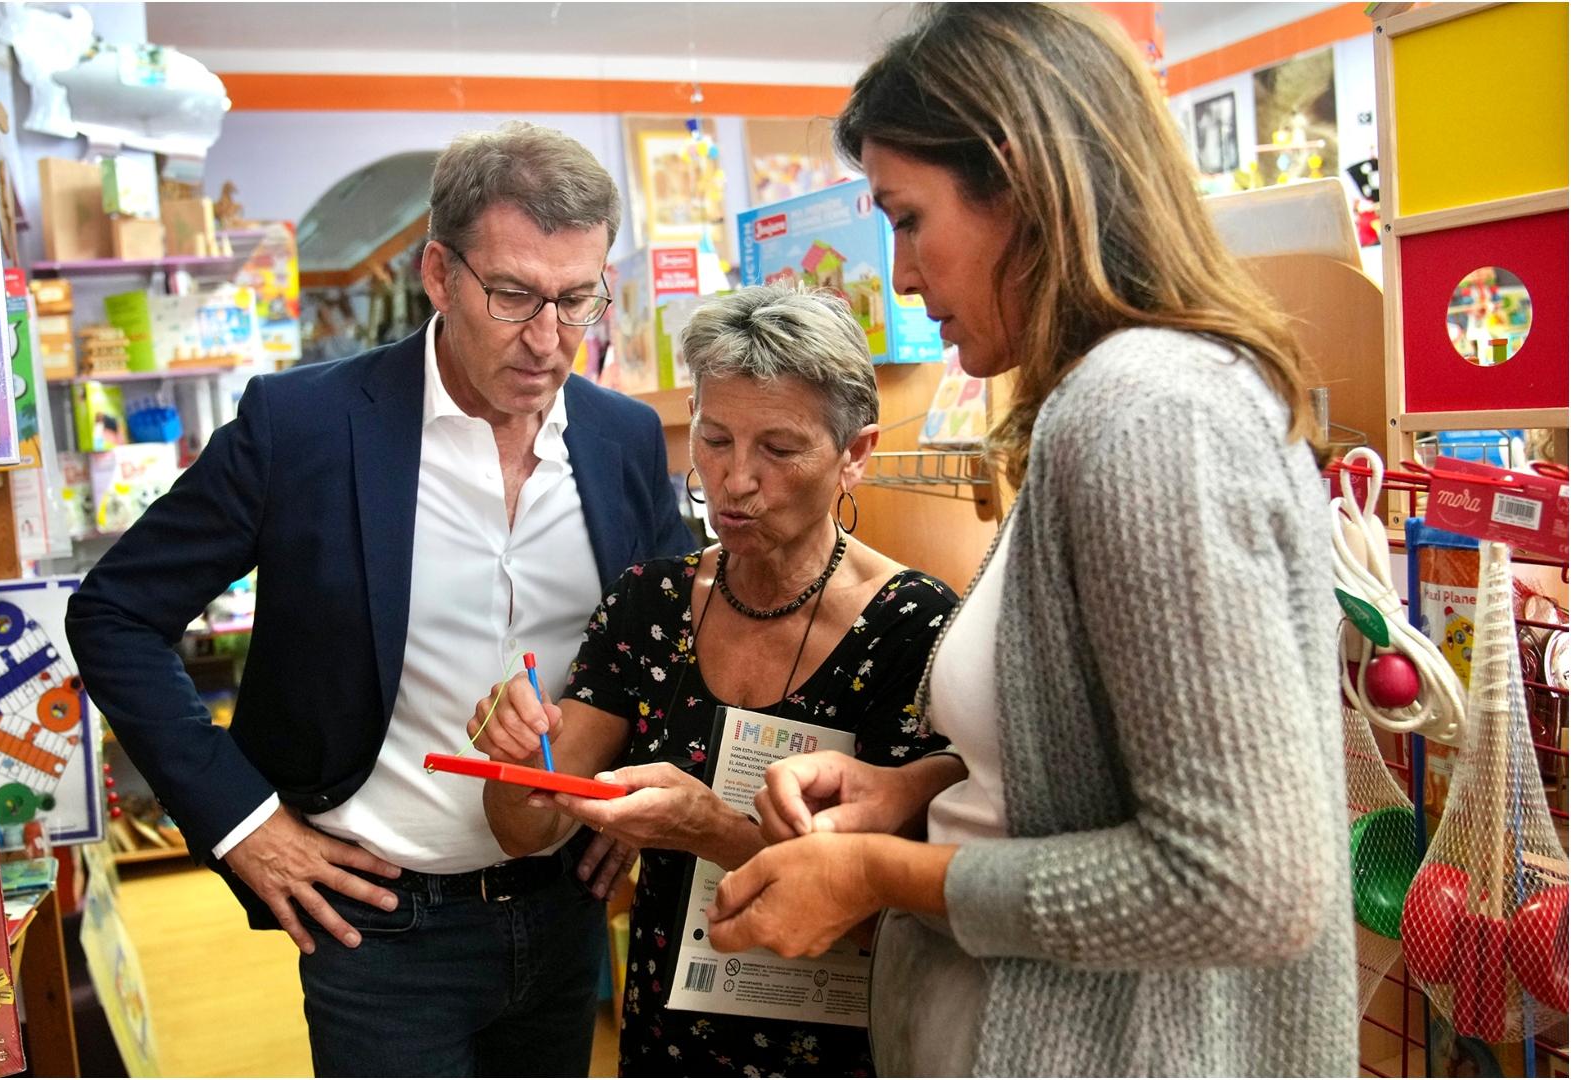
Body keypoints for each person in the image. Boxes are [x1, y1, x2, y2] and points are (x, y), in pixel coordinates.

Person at [705, 5, 1357, 1076]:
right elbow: (1097, 761)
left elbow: (1243, 881)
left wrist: (879, 876)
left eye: (909, 219)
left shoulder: (1148, 417)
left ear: (1019, 184)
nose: (901, 277)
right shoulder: (1098, 408)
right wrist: (919, 791)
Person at [66, 121, 693, 1077]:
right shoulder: (303, 427)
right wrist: (245, 825)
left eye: (577, 299)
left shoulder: (623, 437)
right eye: (513, 295)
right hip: (382, 929)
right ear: (439, 274)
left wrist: (634, 790)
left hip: (564, 907)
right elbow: (114, 615)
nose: (548, 339)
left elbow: (663, 642)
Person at [471, 285, 962, 1077]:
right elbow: (524, 830)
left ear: (856, 452)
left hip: (844, 1051)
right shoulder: (650, 604)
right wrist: (516, 757)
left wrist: (708, 829)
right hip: (669, 1042)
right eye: (716, 438)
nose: (735, 481)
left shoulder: (914, 629)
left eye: (779, 450)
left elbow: (903, 916)